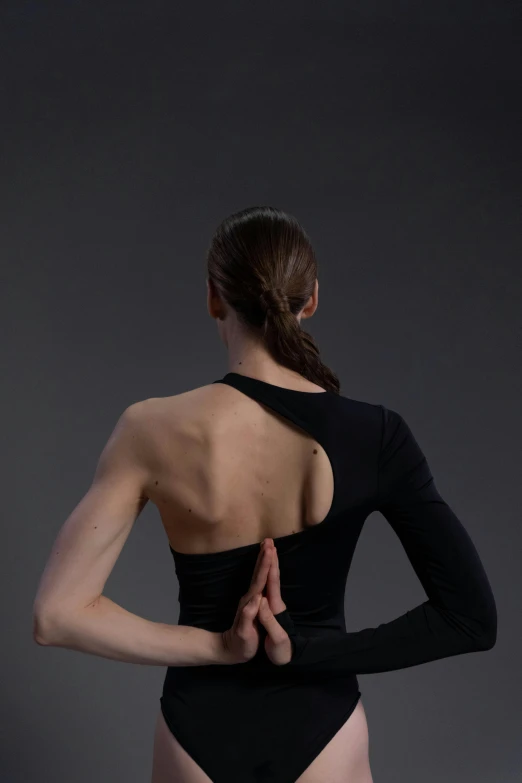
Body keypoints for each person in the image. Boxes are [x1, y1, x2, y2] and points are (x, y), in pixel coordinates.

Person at [32, 206, 497, 783]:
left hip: (194, 728)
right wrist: (306, 652)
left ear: (213, 298)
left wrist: (219, 647)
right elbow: (471, 620)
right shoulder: (376, 434)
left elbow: (56, 616)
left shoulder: (149, 429)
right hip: (323, 725)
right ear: (312, 298)